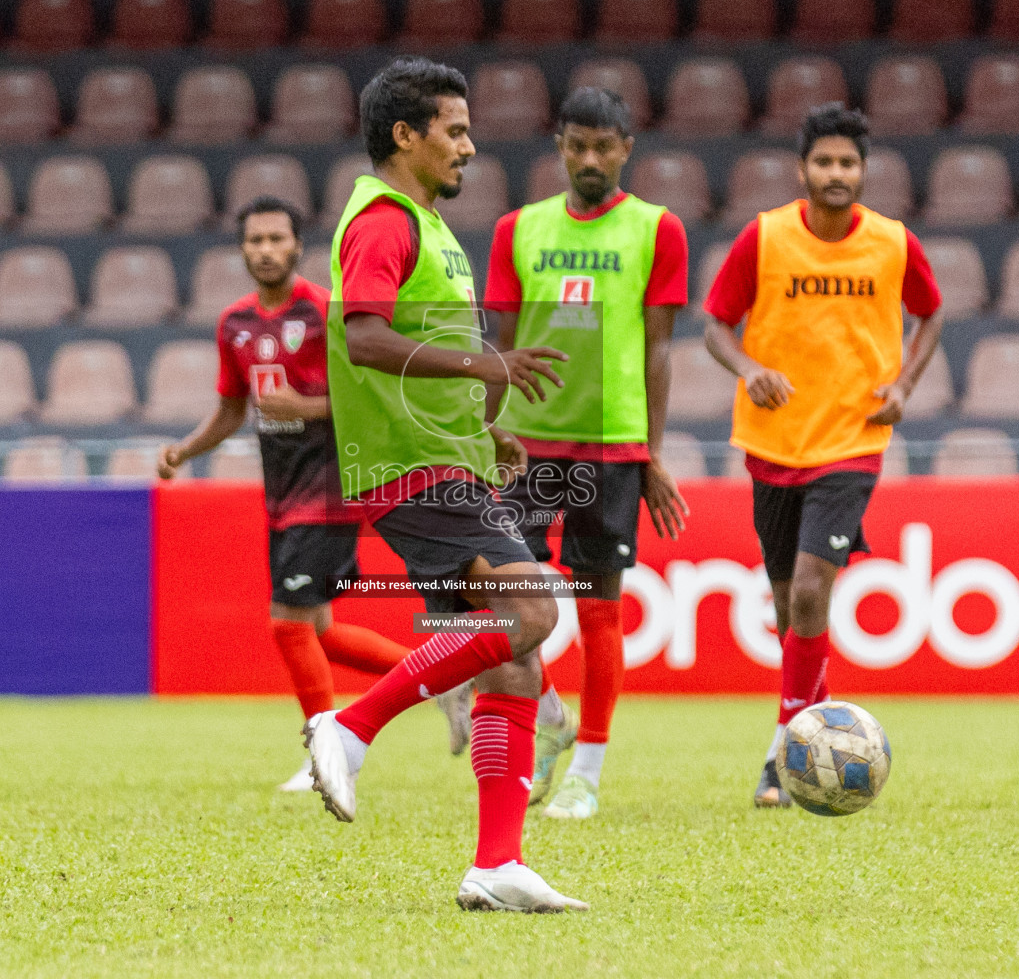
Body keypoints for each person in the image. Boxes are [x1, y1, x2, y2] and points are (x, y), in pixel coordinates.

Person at [306, 55, 588, 912]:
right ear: (406, 135)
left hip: (446, 455)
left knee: (517, 657)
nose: (470, 146)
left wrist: (484, 422)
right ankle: (350, 726)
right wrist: (487, 362)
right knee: (535, 607)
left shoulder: (426, 226)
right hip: (409, 465)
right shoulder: (385, 221)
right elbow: (365, 339)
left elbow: (419, 363)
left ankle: (497, 865)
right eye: (455, 130)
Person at [157, 196, 472, 792]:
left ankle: (325, 749)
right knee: (318, 629)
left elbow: (370, 398)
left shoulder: (326, 312)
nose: (266, 250)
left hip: (330, 486)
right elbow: (231, 409)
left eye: (277, 239)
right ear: (242, 250)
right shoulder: (235, 324)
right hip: (280, 491)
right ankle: (444, 678)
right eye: (255, 241)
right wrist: (185, 450)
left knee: (286, 624)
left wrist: (302, 408)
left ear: (299, 246)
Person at [702, 103, 944, 807]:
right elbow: (715, 322)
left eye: (848, 163)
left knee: (811, 591)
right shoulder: (766, 237)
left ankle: (783, 751)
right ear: (803, 168)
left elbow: (931, 311)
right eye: (825, 162)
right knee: (786, 603)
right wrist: (748, 369)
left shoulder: (893, 242)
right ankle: (818, 729)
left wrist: (903, 384)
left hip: (853, 438)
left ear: (863, 171)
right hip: (773, 441)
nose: (837, 173)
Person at [482, 87, 690, 821]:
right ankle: (549, 713)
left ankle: (587, 774)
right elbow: (499, 349)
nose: (591, 159)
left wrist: (652, 451)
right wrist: (487, 429)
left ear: (627, 148)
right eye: (578, 145)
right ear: (560, 146)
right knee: (497, 593)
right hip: (526, 445)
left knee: (600, 611)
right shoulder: (517, 230)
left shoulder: (657, 230)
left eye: (605, 146)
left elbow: (660, 349)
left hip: (611, 445)